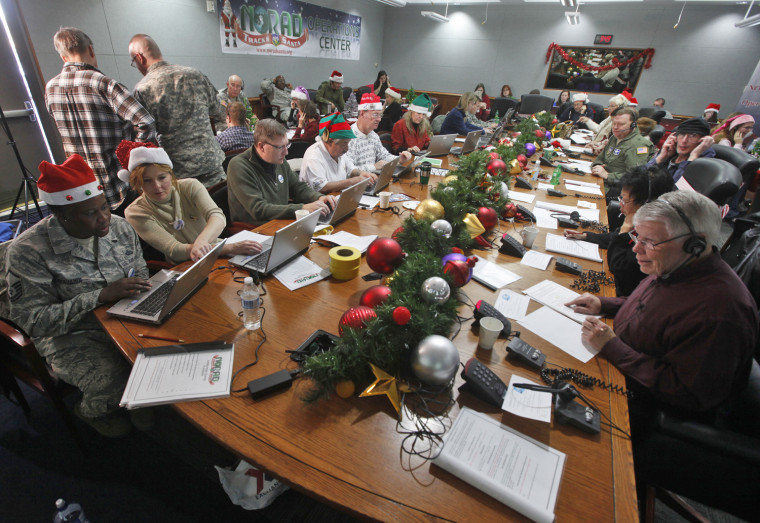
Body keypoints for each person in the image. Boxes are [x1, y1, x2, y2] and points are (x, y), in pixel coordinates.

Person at [566, 190, 758, 418]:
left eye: (650, 242)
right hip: (615, 359)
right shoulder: (678, 265)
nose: (636, 248)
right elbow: (652, 306)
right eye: (638, 237)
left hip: (639, 405)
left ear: (695, 244)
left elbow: (688, 392)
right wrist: (604, 303)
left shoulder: (719, 313)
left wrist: (612, 347)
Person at [4, 154, 153, 437]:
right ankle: (91, 411)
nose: (104, 218)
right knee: (113, 380)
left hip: (126, 315)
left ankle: (138, 397)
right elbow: (32, 321)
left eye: (104, 208)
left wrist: (144, 293)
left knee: (174, 348)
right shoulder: (29, 251)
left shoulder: (118, 227)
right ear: (62, 216)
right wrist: (99, 296)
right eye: (91, 213)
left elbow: (140, 269)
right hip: (72, 333)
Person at [45, 27, 155, 212]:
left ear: (63, 57)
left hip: (83, 186)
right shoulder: (104, 84)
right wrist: (133, 158)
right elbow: (145, 121)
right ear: (90, 49)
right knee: (131, 232)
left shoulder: (51, 88)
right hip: (117, 183)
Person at [118, 141, 261, 264]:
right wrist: (229, 248)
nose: (157, 186)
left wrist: (201, 242)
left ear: (171, 175)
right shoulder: (135, 212)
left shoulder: (190, 186)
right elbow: (174, 250)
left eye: (162, 178)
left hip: (217, 252)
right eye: (147, 181)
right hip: (185, 265)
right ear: (138, 183)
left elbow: (217, 216)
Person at [128, 34, 226, 187]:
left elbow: (145, 135)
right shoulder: (195, 74)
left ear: (139, 58)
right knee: (220, 209)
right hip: (212, 165)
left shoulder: (143, 89)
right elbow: (218, 110)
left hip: (179, 173)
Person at [565, 165, 674, 296]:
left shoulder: (654, 236)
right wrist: (586, 236)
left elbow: (617, 265)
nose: (620, 203)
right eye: (620, 198)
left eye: (624, 200)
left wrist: (626, 226)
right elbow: (617, 238)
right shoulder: (648, 220)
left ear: (646, 204)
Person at [226, 119, 336, 226]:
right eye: (280, 147)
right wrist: (302, 208)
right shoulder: (239, 166)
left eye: (287, 145)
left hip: (281, 221)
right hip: (256, 230)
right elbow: (258, 209)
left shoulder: (278, 160)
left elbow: (297, 187)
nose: (286, 152)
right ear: (261, 147)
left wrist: (318, 197)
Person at [300, 112, 377, 194]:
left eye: (348, 143)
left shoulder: (338, 152)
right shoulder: (314, 156)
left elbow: (350, 169)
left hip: (339, 198)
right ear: (330, 141)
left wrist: (362, 173)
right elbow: (322, 187)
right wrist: (352, 181)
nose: (347, 149)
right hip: (320, 203)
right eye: (344, 144)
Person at [590, 108, 655, 194]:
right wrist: (597, 167)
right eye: (614, 123)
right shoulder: (614, 137)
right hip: (600, 181)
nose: (615, 127)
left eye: (621, 124)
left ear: (633, 125)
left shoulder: (639, 145)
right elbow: (599, 159)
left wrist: (608, 175)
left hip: (615, 189)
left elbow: (635, 176)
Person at [346, 93, 412, 172]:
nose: (379, 119)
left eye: (380, 115)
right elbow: (348, 171)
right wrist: (374, 167)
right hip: (358, 182)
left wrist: (399, 159)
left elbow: (384, 155)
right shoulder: (348, 138)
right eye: (375, 115)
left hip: (372, 179)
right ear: (362, 113)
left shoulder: (373, 135)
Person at [646, 117, 716, 182]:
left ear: (702, 141)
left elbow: (675, 190)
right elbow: (639, 178)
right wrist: (661, 157)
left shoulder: (704, 162)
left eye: (692, 136)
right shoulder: (671, 154)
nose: (684, 141)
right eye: (682, 134)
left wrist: (692, 158)